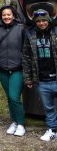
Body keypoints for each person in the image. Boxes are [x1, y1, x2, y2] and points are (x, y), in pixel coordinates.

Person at [0, 5, 26, 136]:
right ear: (1, 16)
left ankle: (21, 124)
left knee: (14, 96)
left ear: (14, 15)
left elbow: (26, 48)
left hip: (18, 68)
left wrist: (23, 62)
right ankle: (14, 121)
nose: (6, 17)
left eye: (9, 14)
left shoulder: (21, 29)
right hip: (2, 68)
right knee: (9, 98)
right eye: (4, 15)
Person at [23, 9, 57, 141]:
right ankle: (53, 130)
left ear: (48, 20)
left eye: (44, 20)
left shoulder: (55, 32)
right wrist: (28, 78)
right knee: (48, 107)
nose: (41, 23)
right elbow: (26, 57)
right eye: (38, 21)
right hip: (41, 79)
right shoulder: (30, 34)